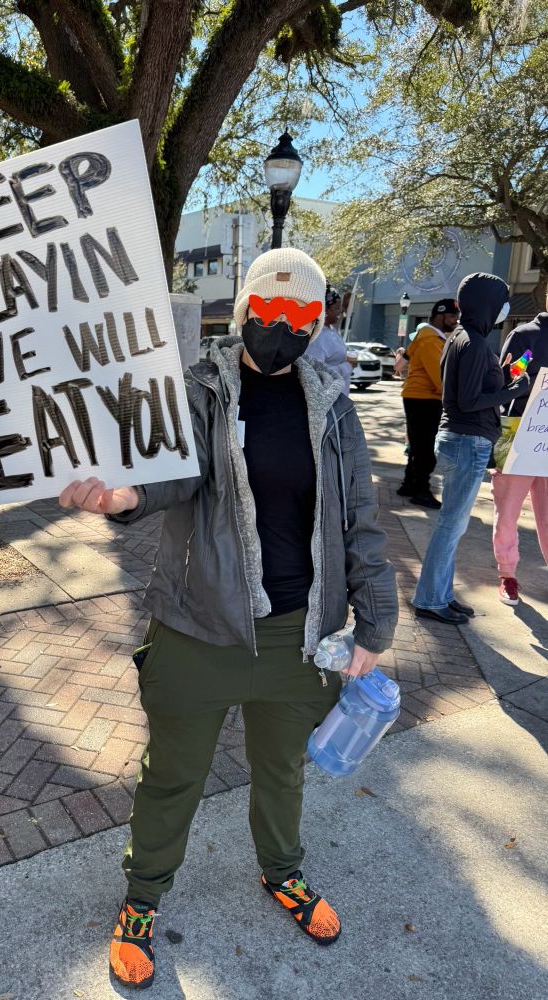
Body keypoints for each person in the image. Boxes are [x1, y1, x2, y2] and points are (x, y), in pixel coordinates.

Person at [59, 247, 398, 989]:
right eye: (267, 311)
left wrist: (374, 623)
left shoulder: (334, 407)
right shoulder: (200, 390)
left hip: (298, 634)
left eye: (299, 316)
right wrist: (122, 498)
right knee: (172, 775)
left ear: (320, 321)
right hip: (198, 627)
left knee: (281, 771)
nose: (279, 326)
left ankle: (283, 872)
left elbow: (360, 521)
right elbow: (172, 472)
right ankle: (143, 899)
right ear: (243, 309)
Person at [411, 273, 530, 624]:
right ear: (486, 303)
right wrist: (513, 390)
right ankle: (431, 599)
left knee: (453, 525)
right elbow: (470, 399)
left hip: (458, 439)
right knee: (451, 526)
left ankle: (441, 595)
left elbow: (469, 392)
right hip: (467, 441)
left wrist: (503, 379)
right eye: (500, 301)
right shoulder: (474, 342)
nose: (503, 308)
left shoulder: (461, 337)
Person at [491, 300, 548, 604]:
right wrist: (531, 372)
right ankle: (507, 575)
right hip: (519, 434)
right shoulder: (528, 335)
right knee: (508, 510)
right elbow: (510, 375)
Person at [397, 298, 461, 509]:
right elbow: (439, 376)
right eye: (452, 316)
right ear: (439, 316)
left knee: (418, 444)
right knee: (425, 447)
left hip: (420, 397)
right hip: (424, 398)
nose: (455, 320)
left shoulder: (431, 337)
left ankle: (410, 484)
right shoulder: (431, 340)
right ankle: (421, 490)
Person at [305, 283, 355, 394]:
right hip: (327, 401)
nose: (341, 310)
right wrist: (347, 366)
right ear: (325, 311)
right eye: (337, 308)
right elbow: (317, 372)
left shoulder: (331, 329)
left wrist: (347, 304)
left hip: (338, 399)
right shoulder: (318, 337)